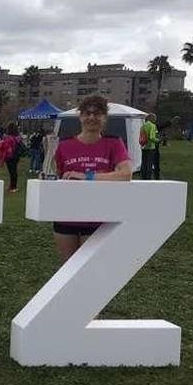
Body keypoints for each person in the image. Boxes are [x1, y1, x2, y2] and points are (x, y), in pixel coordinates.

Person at [52, 95, 131, 262]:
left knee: (91, 268)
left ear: (105, 117)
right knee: (68, 271)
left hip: (98, 216)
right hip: (66, 216)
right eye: (87, 113)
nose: (92, 118)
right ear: (80, 116)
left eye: (98, 114)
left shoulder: (114, 143)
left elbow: (125, 174)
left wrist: (87, 176)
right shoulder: (64, 146)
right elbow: (55, 177)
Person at [0, 123, 23, 193]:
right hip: (16, 156)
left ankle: (13, 186)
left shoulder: (7, 138)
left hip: (9, 156)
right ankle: (13, 186)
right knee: (14, 171)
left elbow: (5, 147)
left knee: (12, 172)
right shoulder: (18, 138)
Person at [139, 113, 160, 180]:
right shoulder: (152, 126)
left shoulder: (143, 126)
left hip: (143, 146)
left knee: (144, 163)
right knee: (149, 164)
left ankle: (143, 177)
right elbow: (151, 137)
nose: (155, 120)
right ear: (152, 118)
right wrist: (158, 140)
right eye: (155, 118)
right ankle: (148, 178)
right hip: (151, 147)